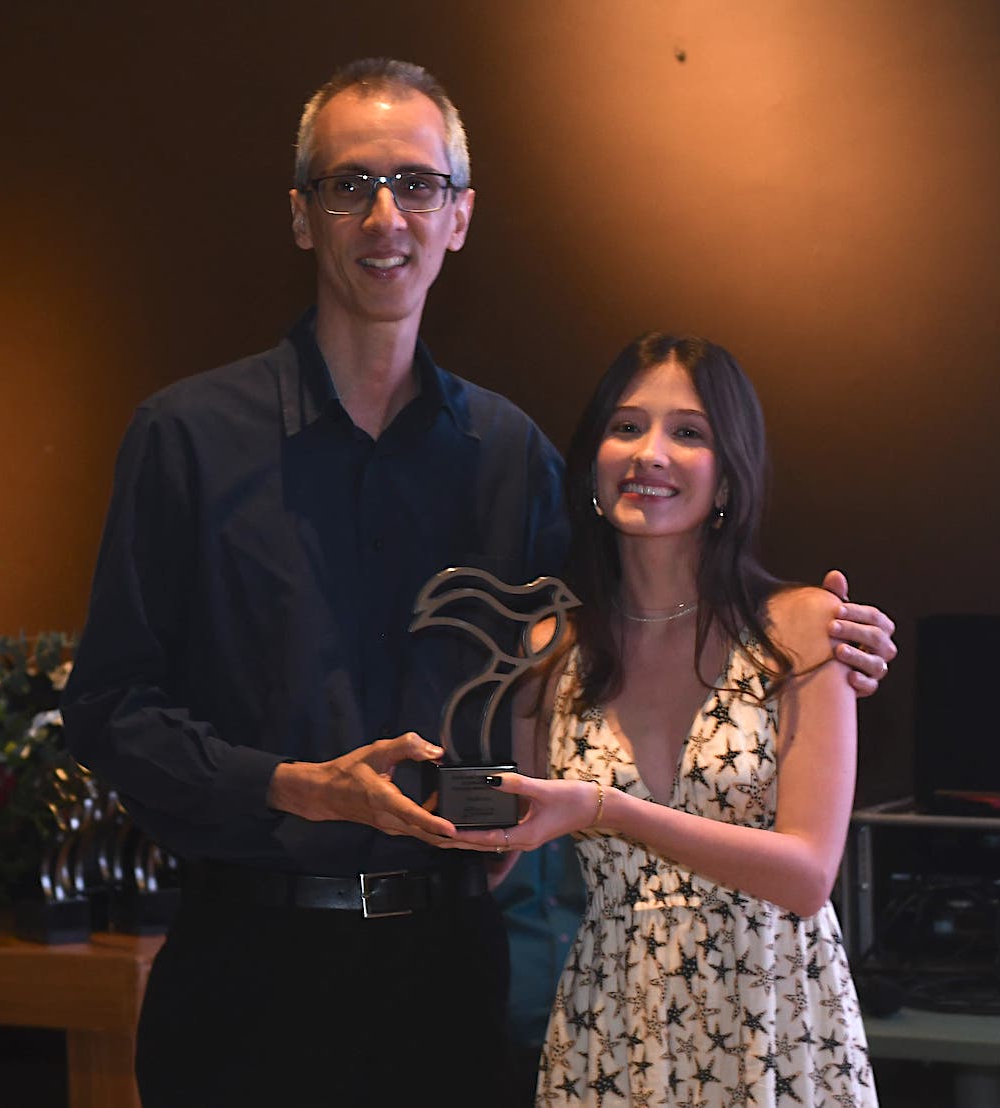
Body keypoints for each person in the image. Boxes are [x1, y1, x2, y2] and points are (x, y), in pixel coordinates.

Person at [60, 59, 895, 1108]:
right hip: (242, 967)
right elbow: (107, 711)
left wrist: (812, 634)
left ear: (458, 217)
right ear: (299, 215)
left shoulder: (510, 454)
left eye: (415, 185)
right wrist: (290, 783)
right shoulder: (185, 439)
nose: (382, 215)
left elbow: (636, 613)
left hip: (443, 978)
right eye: (345, 184)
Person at [456, 333, 880, 1105]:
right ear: (592, 463)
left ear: (728, 475)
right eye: (626, 427)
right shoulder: (551, 649)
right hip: (611, 1022)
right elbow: (510, 842)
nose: (649, 453)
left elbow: (808, 874)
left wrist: (606, 809)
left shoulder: (803, 628)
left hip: (774, 1018)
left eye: (688, 433)